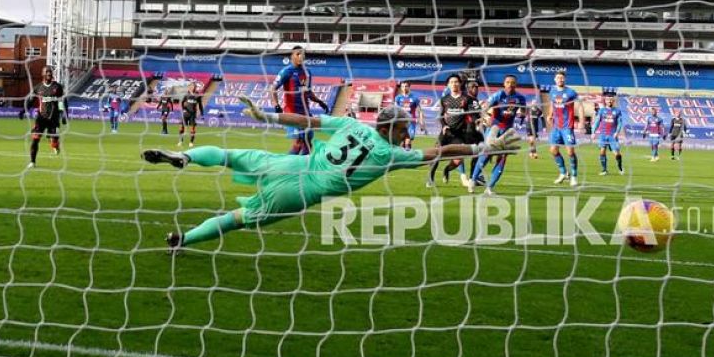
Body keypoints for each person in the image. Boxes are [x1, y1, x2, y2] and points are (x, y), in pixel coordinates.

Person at [141, 99, 523, 250]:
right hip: (303, 191)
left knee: (230, 155)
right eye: (405, 127)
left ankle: (185, 158)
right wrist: (481, 148)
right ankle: (183, 240)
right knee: (240, 218)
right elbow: (439, 151)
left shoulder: (350, 123)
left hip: (295, 164)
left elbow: (306, 120)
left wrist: (268, 116)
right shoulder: (390, 154)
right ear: (391, 128)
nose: (409, 132)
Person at [470, 74, 527, 195]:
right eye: (507, 82)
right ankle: (473, 180)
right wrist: (485, 117)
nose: (510, 84)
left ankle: (489, 188)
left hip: (507, 131)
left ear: (516, 84)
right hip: (494, 129)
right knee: (486, 154)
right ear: (504, 84)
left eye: (512, 82)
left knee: (502, 158)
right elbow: (485, 108)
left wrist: (522, 114)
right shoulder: (498, 95)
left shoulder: (520, 98)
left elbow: (523, 110)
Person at [269, 46, 330, 155]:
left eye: (302, 54)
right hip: (292, 112)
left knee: (308, 143)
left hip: (306, 113)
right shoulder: (286, 71)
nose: (301, 56)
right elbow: (273, 89)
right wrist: (276, 105)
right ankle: (285, 167)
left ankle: (303, 169)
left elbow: (308, 92)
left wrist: (320, 102)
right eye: (298, 54)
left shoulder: (307, 72)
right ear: (292, 56)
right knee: (298, 142)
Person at [428, 74, 479, 189]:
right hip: (447, 132)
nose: (454, 84)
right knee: (437, 154)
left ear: (460, 83)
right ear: (448, 85)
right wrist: (444, 125)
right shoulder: (444, 99)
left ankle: (446, 170)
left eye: (456, 82)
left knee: (458, 160)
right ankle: (430, 179)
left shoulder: (467, 99)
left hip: (460, 133)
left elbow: (474, 114)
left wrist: (478, 121)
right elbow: (440, 116)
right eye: (451, 82)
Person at [26, 66, 66, 169]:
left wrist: (63, 114)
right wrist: (24, 110)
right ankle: (32, 162)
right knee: (35, 139)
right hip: (41, 118)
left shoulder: (57, 87)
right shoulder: (38, 88)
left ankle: (54, 144)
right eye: (47, 71)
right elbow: (31, 100)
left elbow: (62, 100)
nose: (49, 73)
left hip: (54, 119)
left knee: (54, 141)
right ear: (42, 74)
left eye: (50, 71)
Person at [548, 71, 582, 187]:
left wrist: (581, 122)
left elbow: (579, 105)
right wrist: (549, 115)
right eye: (558, 78)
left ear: (565, 79)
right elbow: (552, 104)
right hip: (556, 126)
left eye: (562, 78)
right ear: (555, 79)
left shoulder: (571, 92)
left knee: (570, 152)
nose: (560, 80)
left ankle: (574, 176)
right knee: (553, 150)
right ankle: (563, 173)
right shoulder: (552, 91)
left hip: (567, 126)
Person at [593, 92, 624, 175]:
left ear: (613, 101)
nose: (609, 101)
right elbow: (597, 121)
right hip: (603, 135)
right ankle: (604, 170)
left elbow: (620, 123)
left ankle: (620, 167)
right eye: (608, 100)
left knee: (617, 154)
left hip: (612, 135)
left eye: (611, 100)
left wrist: (617, 132)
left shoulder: (617, 111)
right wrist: (593, 132)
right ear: (605, 101)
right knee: (602, 152)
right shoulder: (602, 110)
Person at [393, 81, 426, 150]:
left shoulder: (415, 98)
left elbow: (420, 111)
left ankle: (407, 149)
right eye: (402, 86)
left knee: (409, 138)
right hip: (401, 122)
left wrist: (421, 122)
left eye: (406, 86)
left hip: (411, 121)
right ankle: (406, 151)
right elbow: (396, 110)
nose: (404, 88)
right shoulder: (398, 98)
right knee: (403, 141)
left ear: (409, 87)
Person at [178, 83, 204, 148]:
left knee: (192, 129)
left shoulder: (197, 95)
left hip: (192, 114)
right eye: (190, 86)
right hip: (185, 114)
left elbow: (200, 105)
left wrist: (202, 113)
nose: (192, 87)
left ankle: (191, 142)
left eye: (193, 86)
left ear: (195, 87)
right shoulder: (186, 95)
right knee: (181, 128)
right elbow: (181, 103)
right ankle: (180, 141)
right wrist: (183, 109)